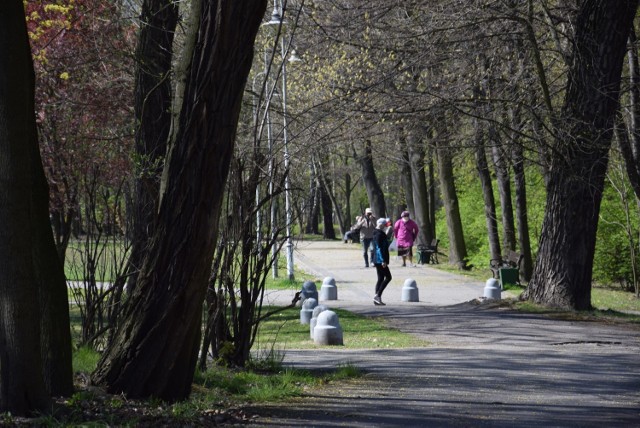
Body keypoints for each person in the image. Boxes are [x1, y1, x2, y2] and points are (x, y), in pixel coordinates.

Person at [372, 217, 392, 305]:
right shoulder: (378, 234)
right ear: (380, 224)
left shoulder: (379, 233)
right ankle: (377, 295)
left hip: (378, 260)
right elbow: (379, 248)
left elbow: (386, 244)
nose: (385, 226)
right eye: (384, 225)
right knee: (388, 277)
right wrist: (383, 260)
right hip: (380, 260)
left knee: (380, 278)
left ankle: (377, 298)